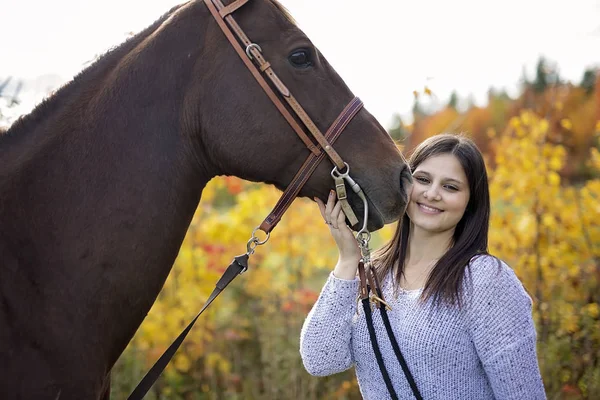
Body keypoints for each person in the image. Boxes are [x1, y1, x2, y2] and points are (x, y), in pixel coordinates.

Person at [299, 133, 546, 399]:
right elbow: (321, 360)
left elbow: (523, 393)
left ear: (470, 202)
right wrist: (348, 260)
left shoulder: (485, 280)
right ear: (405, 183)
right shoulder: (375, 274)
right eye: (423, 180)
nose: (432, 194)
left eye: (450, 187)